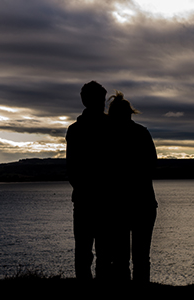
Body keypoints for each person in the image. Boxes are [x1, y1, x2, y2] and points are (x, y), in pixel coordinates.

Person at [107, 91, 158, 283]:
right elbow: (152, 166)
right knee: (141, 258)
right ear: (130, 113)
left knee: (120, 259)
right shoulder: (142, 133)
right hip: (144, 203)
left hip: (118, 205)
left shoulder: (107, 137)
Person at [65, 81, 113, 280]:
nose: (102, 103)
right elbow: (73, 168)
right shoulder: (110, 127)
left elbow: (72, 169)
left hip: (91, 198)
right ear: (86, 101)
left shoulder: (76, 129)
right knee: (92, 252)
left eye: (102, 99)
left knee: (94, 252)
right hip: (98, 198)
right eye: (99, 99)